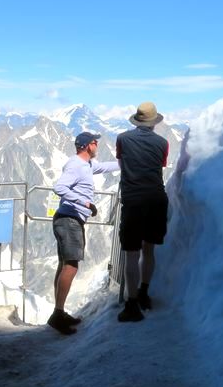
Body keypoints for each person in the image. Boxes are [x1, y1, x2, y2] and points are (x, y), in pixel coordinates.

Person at [47, 131, 119, 335]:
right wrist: (84, 202)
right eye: (95, 142)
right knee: (71, 265)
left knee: (64, 265)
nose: (97, 145)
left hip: (69, 219)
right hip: (69, 219)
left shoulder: (87, 165)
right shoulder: (76, 165)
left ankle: (59, 312)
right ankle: (57, 314)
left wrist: (127, 161)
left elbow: (104, 167)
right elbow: (59, 187)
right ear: (88, 145)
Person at [115, 101, 170, 323]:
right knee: (149, 249)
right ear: (154, 122)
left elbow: (122, 164)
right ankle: (145, 293)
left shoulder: (122, 139)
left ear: (137, 120)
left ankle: (131, 303)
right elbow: (160, 166)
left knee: (131, 253)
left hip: (133, 200)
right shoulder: (163, 143)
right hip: (157, 199)